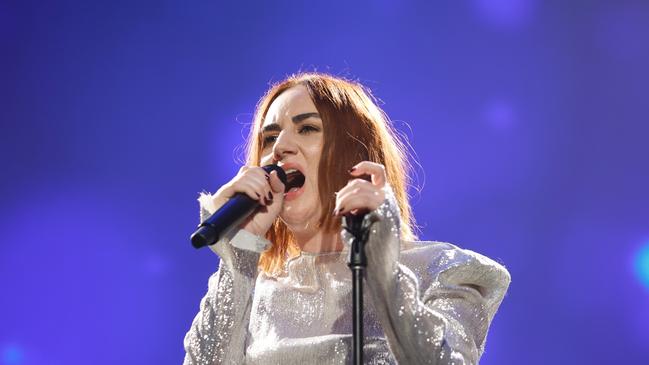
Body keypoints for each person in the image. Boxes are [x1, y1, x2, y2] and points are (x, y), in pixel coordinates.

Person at [183, 72, 510, 364]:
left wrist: (382, 267)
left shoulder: (440, 271)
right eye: (269, 138)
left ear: (356, 155)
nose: (279, 147)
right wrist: (239, 256)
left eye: (307, 128)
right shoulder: (251, 294)